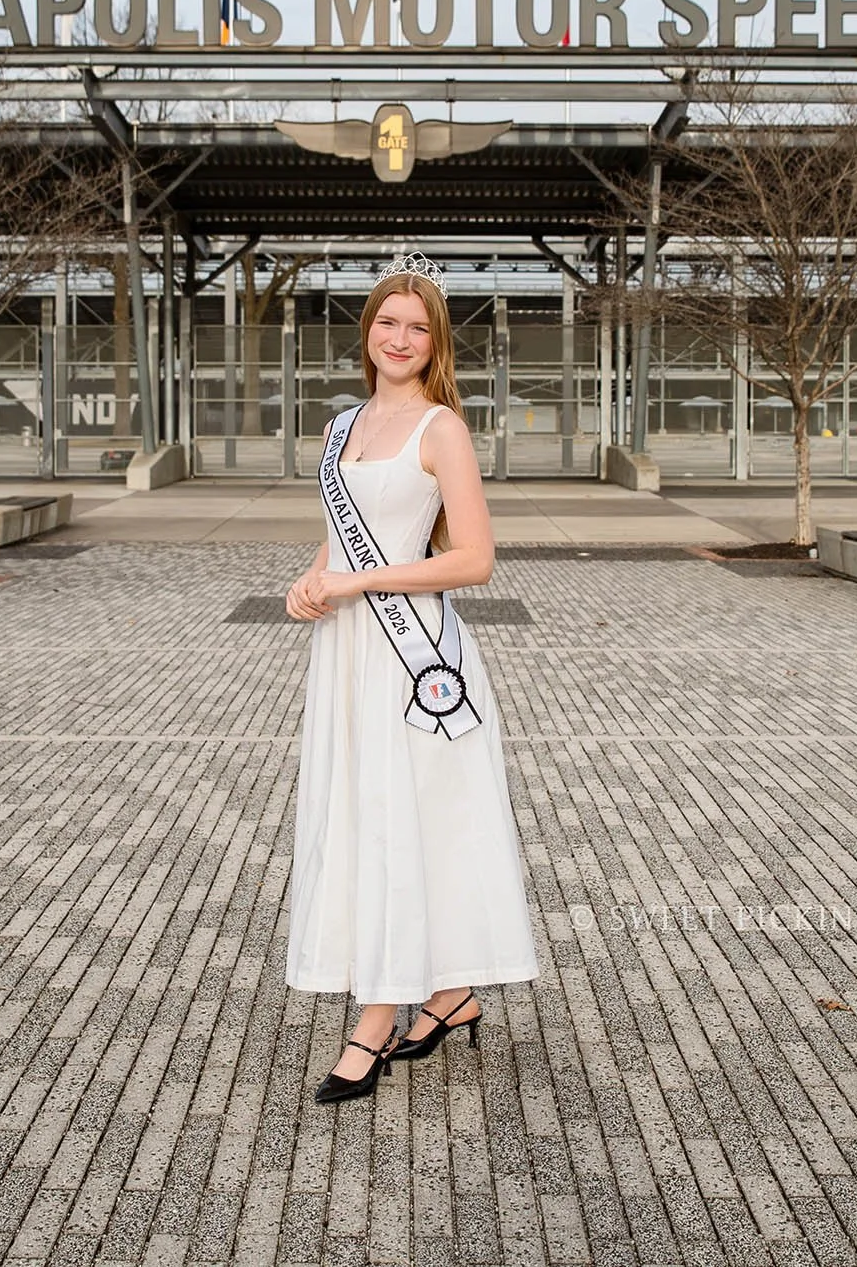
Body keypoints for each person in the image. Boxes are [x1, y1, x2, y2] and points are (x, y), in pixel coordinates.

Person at [283, 258, 540, 1104]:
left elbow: (474, 559)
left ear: (435, 342)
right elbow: (340, 534)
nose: (399, 338)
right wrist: (310, 579)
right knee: (368, 818)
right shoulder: (339, 427)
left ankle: (375, 1020)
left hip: (413, 656)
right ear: (367, 331)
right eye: (387, 322)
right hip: (347, 651)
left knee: (404, 822)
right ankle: (449, 995)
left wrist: (356, 581)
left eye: (417, 327)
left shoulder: (442, 429)